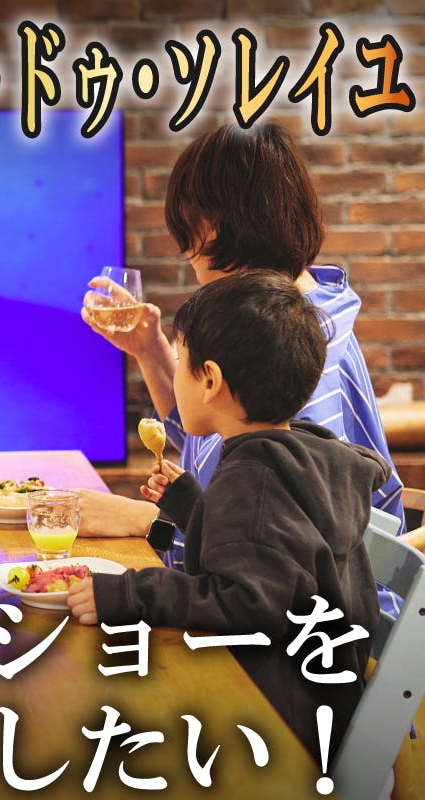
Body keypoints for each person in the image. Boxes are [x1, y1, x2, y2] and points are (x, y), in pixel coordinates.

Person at [68, 271, 388, 759]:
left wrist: (130, 593)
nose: (175, 374)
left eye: (181, 362)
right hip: (318, 700)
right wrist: (192, 506)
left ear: (210, 380)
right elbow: (269, 553)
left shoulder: (254, 477)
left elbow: (247, 602)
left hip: (278, 726)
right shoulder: (302, 456)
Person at [79, 122, 404, 567]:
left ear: (218, 225)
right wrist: (149, 350)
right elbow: (220, 424)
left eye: (189, 229)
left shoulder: (297, 352)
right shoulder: (293, 315)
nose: (187, 252)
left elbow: (281, 552)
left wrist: (146, 521)